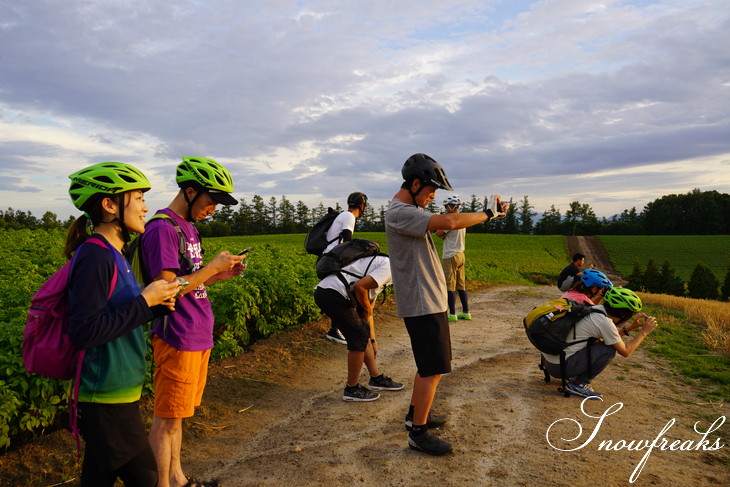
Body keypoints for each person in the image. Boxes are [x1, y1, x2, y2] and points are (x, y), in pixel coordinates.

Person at [65, 162, 182, 486]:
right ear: (109, 204)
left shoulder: (117, 253)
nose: (146, 206)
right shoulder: (96, 256)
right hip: (105, 401)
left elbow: (119, 316)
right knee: (148, 478)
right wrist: (145, 303)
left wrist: (154, 306)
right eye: (139, 198)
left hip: (116, 399)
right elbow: (84, 331)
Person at [385, 153, 508, 456]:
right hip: (422, 301)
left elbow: (441, 226)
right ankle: (418, 433)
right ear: (415, 184)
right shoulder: (400, 211)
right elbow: (451, 220)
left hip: (429, 299)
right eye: (430, 191)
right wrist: (489, 214)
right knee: (433, 368)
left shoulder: (408, 210)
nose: (431, 197)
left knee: (429, 366)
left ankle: (416, 416)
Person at [141, 157, 245, 487]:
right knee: (166, 418)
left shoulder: (188, 228)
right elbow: (167, 289)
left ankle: (178, 480)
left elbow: (190, 280)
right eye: (211, 200)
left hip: (197, 334)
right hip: (177, 335)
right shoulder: (162, 229)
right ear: (189, 191)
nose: (213, 208)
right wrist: (211, 269)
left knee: (178, 416)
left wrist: (219, 275)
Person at [314, 253, 403, 401]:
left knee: (363, 332)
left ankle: (376, 378)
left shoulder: (386, 270)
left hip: (330, 292)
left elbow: (368, 312)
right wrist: (367, 312)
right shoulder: (389, 267)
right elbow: (360, 287)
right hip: (333, 294)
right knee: (358, 338)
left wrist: (373, 341)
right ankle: (352, 389)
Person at [541, 287, 658, 399]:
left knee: (603, 343)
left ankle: (574, 378)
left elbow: (610, 335)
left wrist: (631, 328)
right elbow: (626, 351)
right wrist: (644, 332)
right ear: (623, 315)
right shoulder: (605, 322)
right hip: (559, 368)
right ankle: (578, 384)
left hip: (550, 361)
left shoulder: (593, 309)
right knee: (608, 349)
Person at [323, 191, 368, 345]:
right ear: (362, 206)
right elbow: (347, 241)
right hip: (333, 260)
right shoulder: (349, 216)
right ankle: (336, 330)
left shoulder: (342, 215)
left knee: (339, 292)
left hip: (328, 258)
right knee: (342, 293)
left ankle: (338, 328)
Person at [434, 195, 471, 322]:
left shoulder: (451, 219)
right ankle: (466, 312)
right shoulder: (463, 219)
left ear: (453, 206)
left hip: (450, 255)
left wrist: (442, 235)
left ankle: (452, 314)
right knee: (461, 284)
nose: (445, 209)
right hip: (461, 254)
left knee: (450, 285)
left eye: (446, 206)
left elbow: (439, 232)